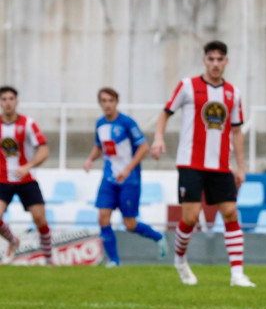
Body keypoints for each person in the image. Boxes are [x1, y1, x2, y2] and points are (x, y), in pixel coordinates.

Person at [150, 40, 255, 287]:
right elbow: (165, 113)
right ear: (204, 61)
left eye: (220, 59)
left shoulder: (233, 93)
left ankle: (237, 274)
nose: (215, 64)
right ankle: (180, 260)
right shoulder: (187, 86)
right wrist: (158, 138)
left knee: (230, 213)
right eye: (211, 59)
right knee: (190, 216)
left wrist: (240, 167)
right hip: (190, 163)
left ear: (226, 62)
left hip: (220, 165)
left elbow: (237, 132)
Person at [83, 87, 167, 266]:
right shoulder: (100, 124)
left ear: (116, 102)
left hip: (129, 179)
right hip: (109, 178)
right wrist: (90, 159)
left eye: (110, 101)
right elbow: (99, 145)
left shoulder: (127, 122)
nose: (107, 104)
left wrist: (128, 169)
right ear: (100, 103)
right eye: (103, 101)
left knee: (129, 224)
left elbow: (143, 147)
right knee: (102, 217)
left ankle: (158, 237)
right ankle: (114, 261)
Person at [0, 86, 53, 265]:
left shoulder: (28, 123)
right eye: (4, 99)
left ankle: (49, 259)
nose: (7, 102)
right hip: (2, 179)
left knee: (40, 219)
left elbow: (44, 150)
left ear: (17, 101)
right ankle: (13, 241)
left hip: (26, 179)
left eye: (10, 98)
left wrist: (28, 166)